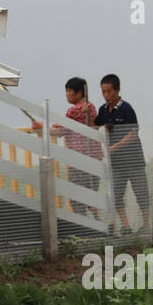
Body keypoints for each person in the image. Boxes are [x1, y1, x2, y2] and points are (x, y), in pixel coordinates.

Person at [31, 78, 101, 217]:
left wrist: (41, 127)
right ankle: (98, 221)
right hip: (94, 157)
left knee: (76, 197)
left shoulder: (74, 110)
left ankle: (84, 226)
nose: (67, 94)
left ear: (79, 92)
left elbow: (60, 131)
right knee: (90, 195)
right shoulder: (90, 107)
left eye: (70, 91)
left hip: (78, 159)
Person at [94, 74, 149, 234]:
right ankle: (126, 227)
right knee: (116, 195)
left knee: (142, 194)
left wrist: (115, 147)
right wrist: (87, 113)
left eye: (109, 91)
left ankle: (146, 226)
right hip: (116, 163)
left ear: (117, 90)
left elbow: (133, 133)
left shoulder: (126, 109)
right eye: (103, 92)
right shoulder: (103, 110)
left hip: (133, 160)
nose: (106, 95)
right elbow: (94, 124)